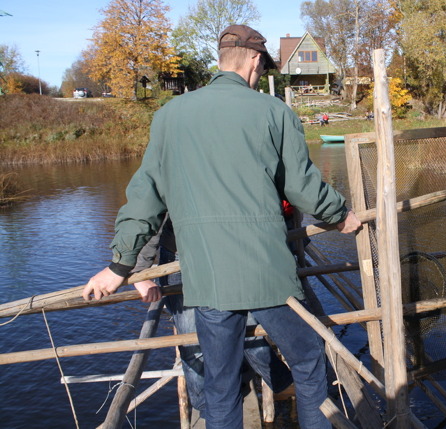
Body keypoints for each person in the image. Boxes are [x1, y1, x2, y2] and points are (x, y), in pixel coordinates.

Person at [83, 23, 361, 429]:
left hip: (207, 279)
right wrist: (341, 216)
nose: (262, 72)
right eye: (263, 65)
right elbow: (302, 186)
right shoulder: (273, 112)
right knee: (308, 360)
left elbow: (145, 197)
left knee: (220, 383)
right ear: (253, 60)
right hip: (268, 275)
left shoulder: (169, 116)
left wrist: (121, 265)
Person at [131, 215, 294, 420]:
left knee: (247, 326)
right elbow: (148, 212)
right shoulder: (169, 182)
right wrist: (139, 270)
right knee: (191, 338)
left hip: (230, 250)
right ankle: (207, 408)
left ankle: (283, 382)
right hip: (180, 255)